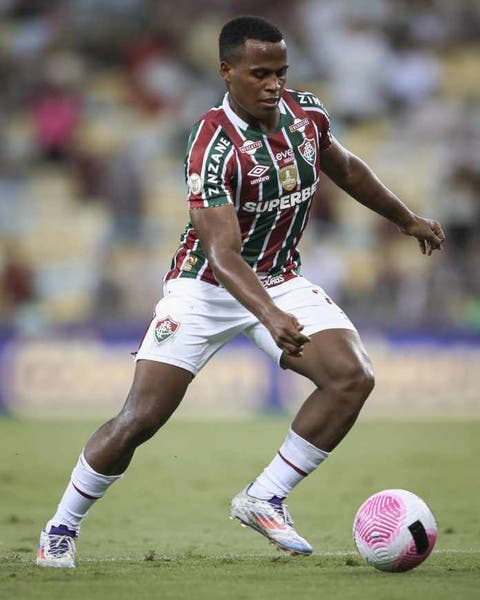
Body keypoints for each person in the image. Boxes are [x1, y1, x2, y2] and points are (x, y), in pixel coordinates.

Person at [36, 16, 445, 567]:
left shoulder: (307, 115)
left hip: (278, 276)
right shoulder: (211, 145)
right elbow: (223, 254)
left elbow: (345, 167)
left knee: (352, 376)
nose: (273, 84)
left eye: (280, 71)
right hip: (203, 288)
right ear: (227, 72)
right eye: (259, 73)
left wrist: (405, 218)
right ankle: (61, 526)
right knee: (140, 419)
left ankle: (264, 496)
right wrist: (270, 314)